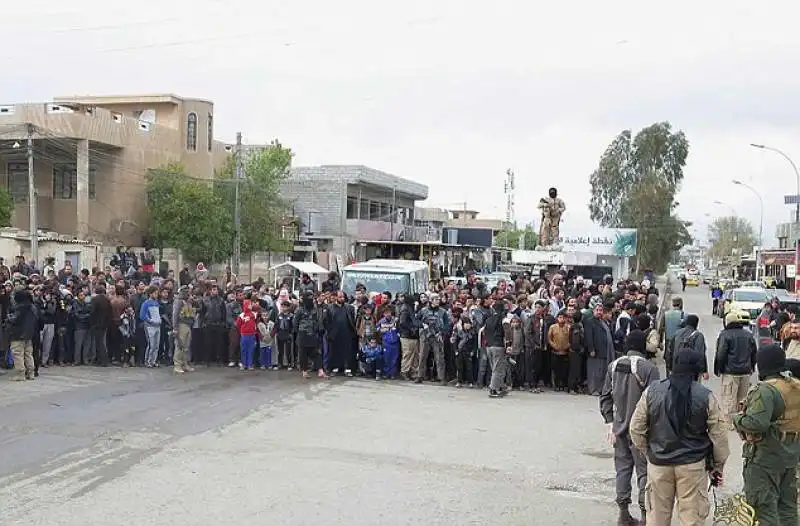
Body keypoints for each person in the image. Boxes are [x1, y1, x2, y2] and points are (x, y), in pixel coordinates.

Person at [630, 349, 729, 526]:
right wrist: (717, 466)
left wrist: (649, 452)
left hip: (659, 464)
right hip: (693, 466)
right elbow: (719, 436)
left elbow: (636, 429)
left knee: (656, 519)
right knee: (692, 519)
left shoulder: (652, 391)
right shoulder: (705, 396)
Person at [733, 344, 800, 526]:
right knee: (788, 509)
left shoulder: (765, 390)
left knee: (763, 510)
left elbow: (756, 423)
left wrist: (737, 419)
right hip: (790, 456)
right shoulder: (795, 386)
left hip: (765, 459)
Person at [599, 330, 660, 526]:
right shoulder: (649, 368)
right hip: (642, 431)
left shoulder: (613, 366)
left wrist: (610, 421)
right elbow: (656, 401)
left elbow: (605, 397)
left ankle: (623, 514)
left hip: (619, 428)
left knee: (623, 471)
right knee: (644, 473)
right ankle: (645, 516)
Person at [714, 310, 757, 428]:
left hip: (730, 371)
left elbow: (721, 354)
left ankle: (729, 423)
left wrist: (718, 368)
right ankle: (741, 421)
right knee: (742, 398)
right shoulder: (748, 334)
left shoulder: (725, 335)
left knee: (729, 397)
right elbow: (754, 352)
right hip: (746, 371)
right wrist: (752, 366)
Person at [7, 289, 38, 381]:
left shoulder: (20, 308)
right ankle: (30, 373)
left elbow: (15, 320)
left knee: (18, 354)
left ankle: (20, 374)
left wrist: (9, 316)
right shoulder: (32, 307)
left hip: (18, 334)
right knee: (28, 353)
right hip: (29, 334)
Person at [671, 314, 709, 380]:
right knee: (693, 388)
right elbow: (701, 354)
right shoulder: (698, 335)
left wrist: (670, 367)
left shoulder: (677, 333)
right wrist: (704, 371)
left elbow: (670, 351)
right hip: (692, 370)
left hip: (677, 367)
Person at [658, 297, 684, 375]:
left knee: (668, 360)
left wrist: (660, 342)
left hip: (668, 341)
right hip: (681, 342)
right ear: (681, 304)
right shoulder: (684, 315)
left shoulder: (666, 314)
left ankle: (668, 377)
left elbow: (661, 329)